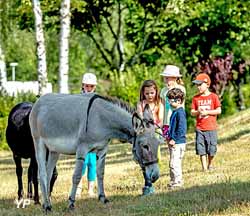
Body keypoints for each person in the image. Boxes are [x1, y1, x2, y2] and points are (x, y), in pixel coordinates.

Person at [137, 80, 164, 195]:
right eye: (147, 93)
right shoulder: (141, 104)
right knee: (145, 158)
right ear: (143, 93)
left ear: (156, 92)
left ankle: (153, 175)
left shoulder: (159, 104)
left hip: (155, 132)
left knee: (156, 156)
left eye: (152, 93)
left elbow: (161, 120)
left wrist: (159, 130)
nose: (150, 96)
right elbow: (140, 116)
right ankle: (148, 183)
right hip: (144, 133)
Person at [191, 73, 221, 172]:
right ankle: (204, 168)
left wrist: (207, 112)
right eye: (197, 85)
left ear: (207, 84)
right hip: (200, 128)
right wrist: (198, 111)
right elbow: (192, 112)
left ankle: (210, 164)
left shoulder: (213, 97)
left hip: (211, 128)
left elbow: (218, 110)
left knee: (212, 149)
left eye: (200, 84)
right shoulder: (196, 98)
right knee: (201, 148)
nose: (198, 87)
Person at [76, 72, 97, 197]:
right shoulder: (78, 99)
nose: (89, 88)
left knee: (92, 162)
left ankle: (91, 189)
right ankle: (78, 187)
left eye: (91, 86)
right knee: (82, 161)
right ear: (83, 85)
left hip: (94, 135)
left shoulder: (97, 99)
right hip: (81, 134)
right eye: (87, 86)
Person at [166, 88, 187, 189]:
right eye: (168, 100)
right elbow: (173, 127)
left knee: (175, 164)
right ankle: (173, 180)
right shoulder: (175, 112)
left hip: (178, 143)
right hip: (174, 142)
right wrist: (169, 136)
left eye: (171, 100)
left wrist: (174, 139)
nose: (169, 102)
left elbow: (181, 129)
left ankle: (178, 182)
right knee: (172, 163)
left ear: (178, 100)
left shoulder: (180, 112)